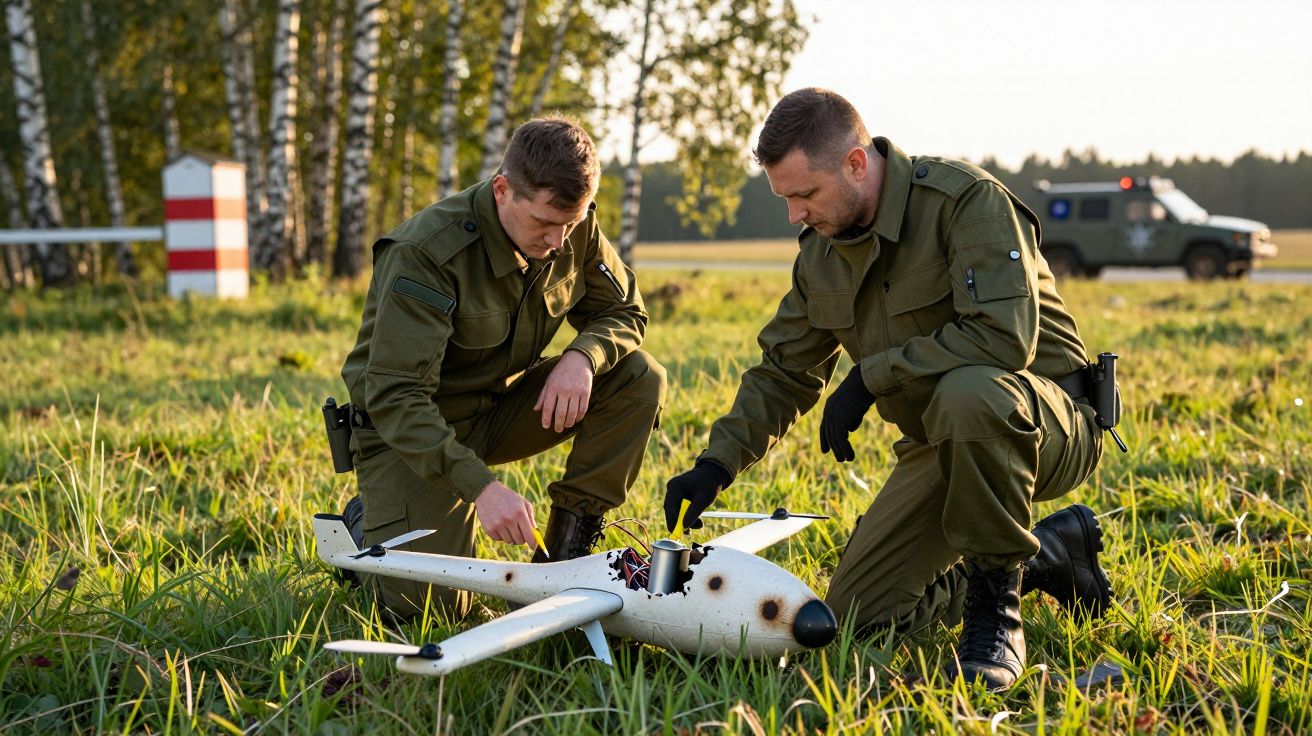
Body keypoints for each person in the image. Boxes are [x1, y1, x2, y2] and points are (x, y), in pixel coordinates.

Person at [663, 88, 1113, 690]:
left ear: (855, 164)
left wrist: (872, 377)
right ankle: (1050, 555)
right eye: (785, 198)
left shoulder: (964, 202)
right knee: (857, 618)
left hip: (1043, 424)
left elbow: (1004, 342)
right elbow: (784, 372)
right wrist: (715, 467)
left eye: (804, 194)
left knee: (971, 393)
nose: (795, 214)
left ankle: (995, 613)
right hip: (943, 439)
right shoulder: (821, 251)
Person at [340, 116, 666, 621]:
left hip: (494, 412)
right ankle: (366, 532)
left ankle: (566, 552)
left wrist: (582, 357)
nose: (559, 241)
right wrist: (482, 489)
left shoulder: (571, 225)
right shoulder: (427, 253)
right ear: (502, 191)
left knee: (637, 376)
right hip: (410, 433)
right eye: (544, 224)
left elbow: (625, 311)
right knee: (434, 611)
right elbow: (396, 396)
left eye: (572, 225)